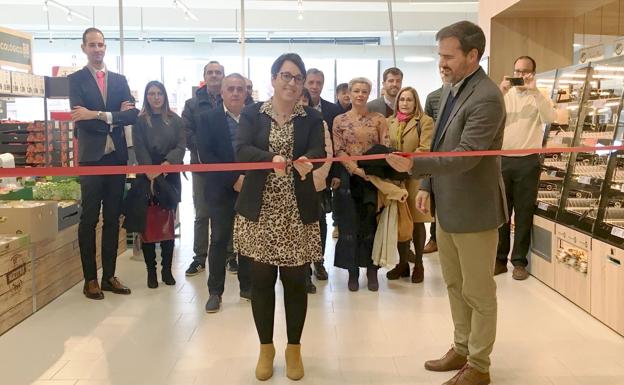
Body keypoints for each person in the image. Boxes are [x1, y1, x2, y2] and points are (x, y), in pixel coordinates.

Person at [386, 21, 507, 385]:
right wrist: (426, 182)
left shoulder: (486, 96)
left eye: (448, 55)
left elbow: (467, 156)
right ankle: (461, 347)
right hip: (450, 207)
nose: (442, 62)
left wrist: (415, 165)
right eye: (440, 55)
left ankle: (480, 365)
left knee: (479, 291)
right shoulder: (452, 89)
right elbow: (439, 142)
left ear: (473, 55)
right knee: (454, 285)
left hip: (476, 209)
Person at [234, 53, 325, 381]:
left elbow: (319, 151)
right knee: (261, 283)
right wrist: (269, 157)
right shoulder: (252, 114)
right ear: (273, 79)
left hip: (296, 213)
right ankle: (266, 348)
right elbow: (241, 149)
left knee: (295, 284)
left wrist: (307, 161)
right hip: (260, 212)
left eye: (297, 78)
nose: (291, 82)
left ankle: (294, 349)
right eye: (285, 76)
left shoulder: (311, 117)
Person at [69, 27, 138, 300]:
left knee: (112, 218)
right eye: (92, 45)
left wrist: (96, 114)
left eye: (101, 44)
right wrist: (113, 116)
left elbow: (131, 116)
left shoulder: (120, 80)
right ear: (84, 47)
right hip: (91, 157)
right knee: (88, 219)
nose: (97, 49)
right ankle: (90, 279)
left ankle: (109, 275)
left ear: (105, 47)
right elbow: (78, 115)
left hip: (116, 158)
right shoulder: (75, 80)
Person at [196, 73, 252, 312]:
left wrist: (245, 180)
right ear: (222, 92)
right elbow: (207, 156)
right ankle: (215, 292)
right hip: (220, 189)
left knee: (248, 240)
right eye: (231, 88)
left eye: (240, 89)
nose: (236, 93)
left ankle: (247, 287)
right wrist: (233, 179)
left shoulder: (255, 118)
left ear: (246, 92)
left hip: (250, 188)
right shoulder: (207, 119)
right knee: (218, 240)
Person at [496, 56, 555, 280]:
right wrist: (500, 91)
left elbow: (550, 117)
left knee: (523, 213)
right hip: (503, 159)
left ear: (533, 73)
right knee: (502, 212)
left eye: (525, 72)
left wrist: (534, 91)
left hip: (529, 161)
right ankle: (499, 259)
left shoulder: (540, 95)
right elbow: (489, 117)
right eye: (517, 71)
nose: (521, 76)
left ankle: (519, 261)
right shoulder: (505, 95)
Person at [332, 77, 390, 292]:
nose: (359, 94)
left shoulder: (379, 119)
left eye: (364, 91)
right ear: (349, 92)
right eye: (356, 90)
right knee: (350, 226)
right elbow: (338, 149)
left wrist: (369, 170)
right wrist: (355, 169)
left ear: (369, 93)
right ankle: (352, 272)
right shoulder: (340, 120)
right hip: (349, 178)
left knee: (370, 224)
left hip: (371, 178)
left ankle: (372, 271)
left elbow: (385, 147)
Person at [132, 81, 185, 288]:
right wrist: (150, 170)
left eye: (159, 93)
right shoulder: (140, 122)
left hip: (169, 174)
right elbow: (139, 147)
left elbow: (181, 145)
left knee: (167, 223)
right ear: (146, 97)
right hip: (146, 175)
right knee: (148, 225)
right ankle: (151, 272)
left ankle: (166, 270)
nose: (155, 97)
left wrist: (167, 164)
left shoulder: (175, 120)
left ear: (164, 96)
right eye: (151, 94)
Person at [385, 86, 434, 283]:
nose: (405, 103)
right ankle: (403, 263)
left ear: (416, 102)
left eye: (409, 100)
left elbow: (426, 149)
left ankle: (419, 264)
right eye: (402, 99)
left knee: (417, 222)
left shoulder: (425, 121)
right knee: (401, 223)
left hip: (415, 178)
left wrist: (406, 161)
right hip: (396, 180)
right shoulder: (389, 121)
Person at [183, 61, 225, 276]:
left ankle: (230, 255)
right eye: (211, 72)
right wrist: (205, 145)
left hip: (226, 165)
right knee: (202, 213)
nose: (214, 76)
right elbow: (186, 132)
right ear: (204, 76)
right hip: (200, 164)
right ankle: (199, 258)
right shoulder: (192, 104)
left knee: (228, 210)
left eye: (218, 72)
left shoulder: (230, 100)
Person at [304, 68, 342, 281]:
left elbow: (333, 148)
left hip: (321, 177)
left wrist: (329, 173)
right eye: (311, 82)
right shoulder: (292, 110)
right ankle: (302, 266)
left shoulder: (331, 110)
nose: (315, 86)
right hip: (296, 179)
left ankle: (319, 262)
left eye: (319, 82)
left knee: (320, 221)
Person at [300, 88, 334, 294]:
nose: (302, 103)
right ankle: (303, 272)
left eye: (305, 100)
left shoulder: (319, 123)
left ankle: (318, 261)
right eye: (299, 100)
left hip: (316, 184)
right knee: (300, 228)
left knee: (318, 225)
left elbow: (328, 153)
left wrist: (314, 179)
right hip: (294, 185)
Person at [423, 84, 443, 254]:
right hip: (436, 152)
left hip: (458, 152)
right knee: (435, 199)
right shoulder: (433, 96)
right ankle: (434, 238)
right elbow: (428, 124)